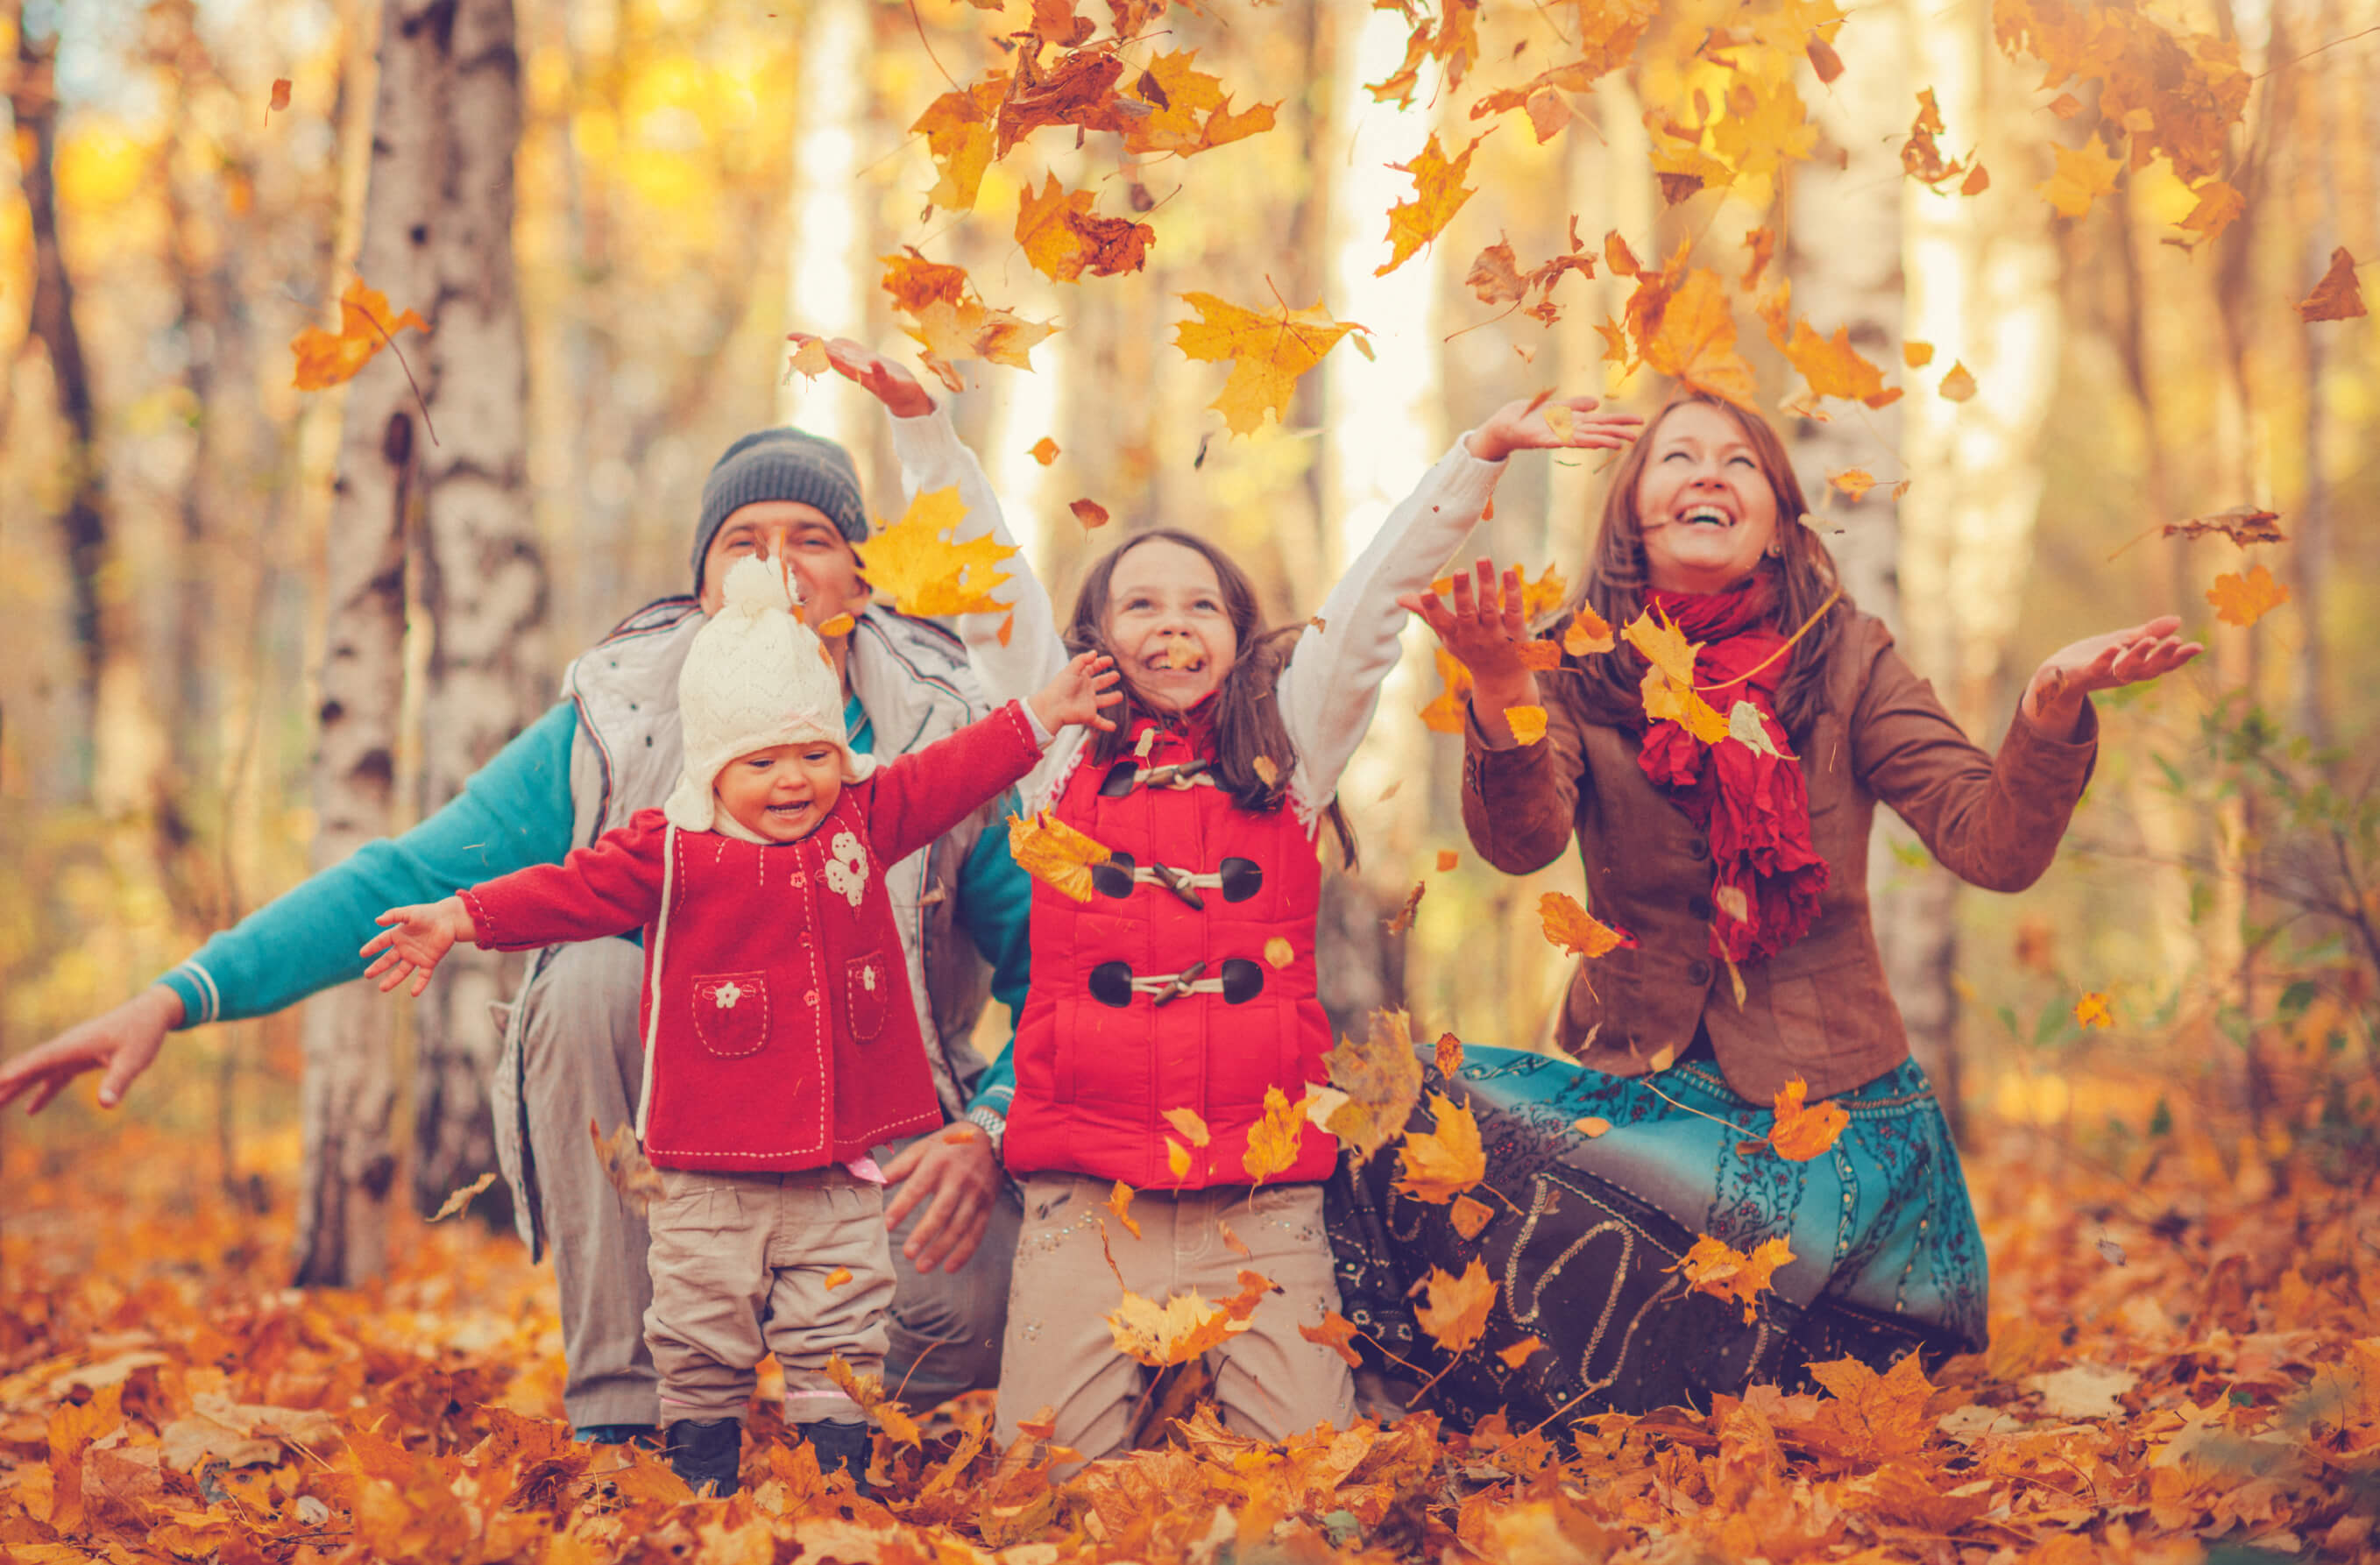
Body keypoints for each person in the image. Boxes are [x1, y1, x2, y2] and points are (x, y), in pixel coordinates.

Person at [0, 344, 1037, 1440]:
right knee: (586, 972)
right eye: (744, 542)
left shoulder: (940, 732)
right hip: (699, 1198)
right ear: (702, 589)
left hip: (879, 1188)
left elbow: (1054, 971)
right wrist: (177, 994)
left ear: (859, 584)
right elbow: (411, 878)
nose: (776, 567)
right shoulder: (621, 723)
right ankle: (631, 1411)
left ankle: (828, 1391)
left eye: (812, 540)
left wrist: (986, 1128)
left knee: (968, 1322)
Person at [1329, 388, 2202, 1428]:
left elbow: (1992, 844)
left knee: (1785, 1364)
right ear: (1632, 512)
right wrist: (1498, 686)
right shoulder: (1565, 660)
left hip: (1829, 1119)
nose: (1707, 473)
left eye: (1738, 462)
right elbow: (1520, 845)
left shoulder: (1848, 655)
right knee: (1395, 1103)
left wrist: (2048, 709)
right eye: (1678, 458)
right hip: (1642, 1097)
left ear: (1779, 523)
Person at [949, 375, 1645, 1459]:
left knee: (1305, 1486)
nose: (1171, 625)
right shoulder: (1059, 759)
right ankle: (1144, 1403)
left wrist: (1483, 451)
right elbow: (986, 580)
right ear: (1091, 638)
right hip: (1088, 1203)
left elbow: (1372, 600)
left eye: (1200, 606)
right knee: (1042, 1488)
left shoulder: (1288, 755)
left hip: (1260, 1205)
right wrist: (917, 425)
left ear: (1237, 636)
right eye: (1140, 604)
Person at [360, 554, 1119, 1493]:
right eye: (761, 762)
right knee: (700, 1327)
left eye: (813, 755)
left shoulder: (864, 820)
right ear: (715, 767)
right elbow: (569, 889)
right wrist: (460, 917)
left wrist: (1041, 714)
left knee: (838, 1325)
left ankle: (838, 1479)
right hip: (708, 1170)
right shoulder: (673, 851)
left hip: (842, 1164)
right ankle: (698, 1477)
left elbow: (955, 772)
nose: (792, 781)